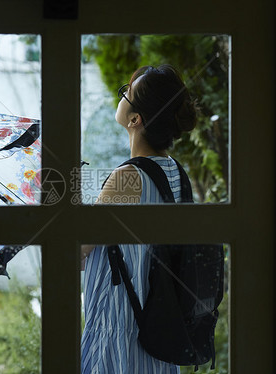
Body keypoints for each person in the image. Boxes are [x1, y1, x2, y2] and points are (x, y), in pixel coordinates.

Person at [81, 64, 197, 373]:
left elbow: (78, 251)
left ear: (135, 119)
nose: (121, 97)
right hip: (158, 329)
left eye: (126, 94)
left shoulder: (128, 177)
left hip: (119, 326)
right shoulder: (175, 172)